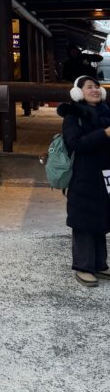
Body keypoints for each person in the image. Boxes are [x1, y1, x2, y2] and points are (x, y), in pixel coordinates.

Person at [57, 75, 110, 287]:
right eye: (89, 87)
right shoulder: (73, 115)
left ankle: (99, 263)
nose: (95, 90)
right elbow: (75, 143)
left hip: (105, 175)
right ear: (78, 92)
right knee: (83, 220)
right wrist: (104, 134)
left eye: (97, 86)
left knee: (102, 217)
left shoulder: (106, 112)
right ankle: (83, 266)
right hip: (83, 176)